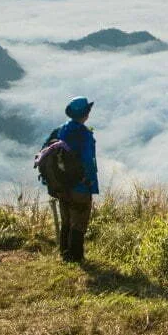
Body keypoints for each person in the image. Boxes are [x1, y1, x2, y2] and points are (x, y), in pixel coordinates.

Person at [55, 96, 98, 263]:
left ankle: (64, 253)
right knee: (79, 221)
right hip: (81, 185)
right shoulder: (84, 134)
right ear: (84, 113)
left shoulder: (62, 130)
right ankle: (76, 257)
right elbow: (87, 160)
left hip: (63, 184)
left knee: (66, 219)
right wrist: (89, 180)